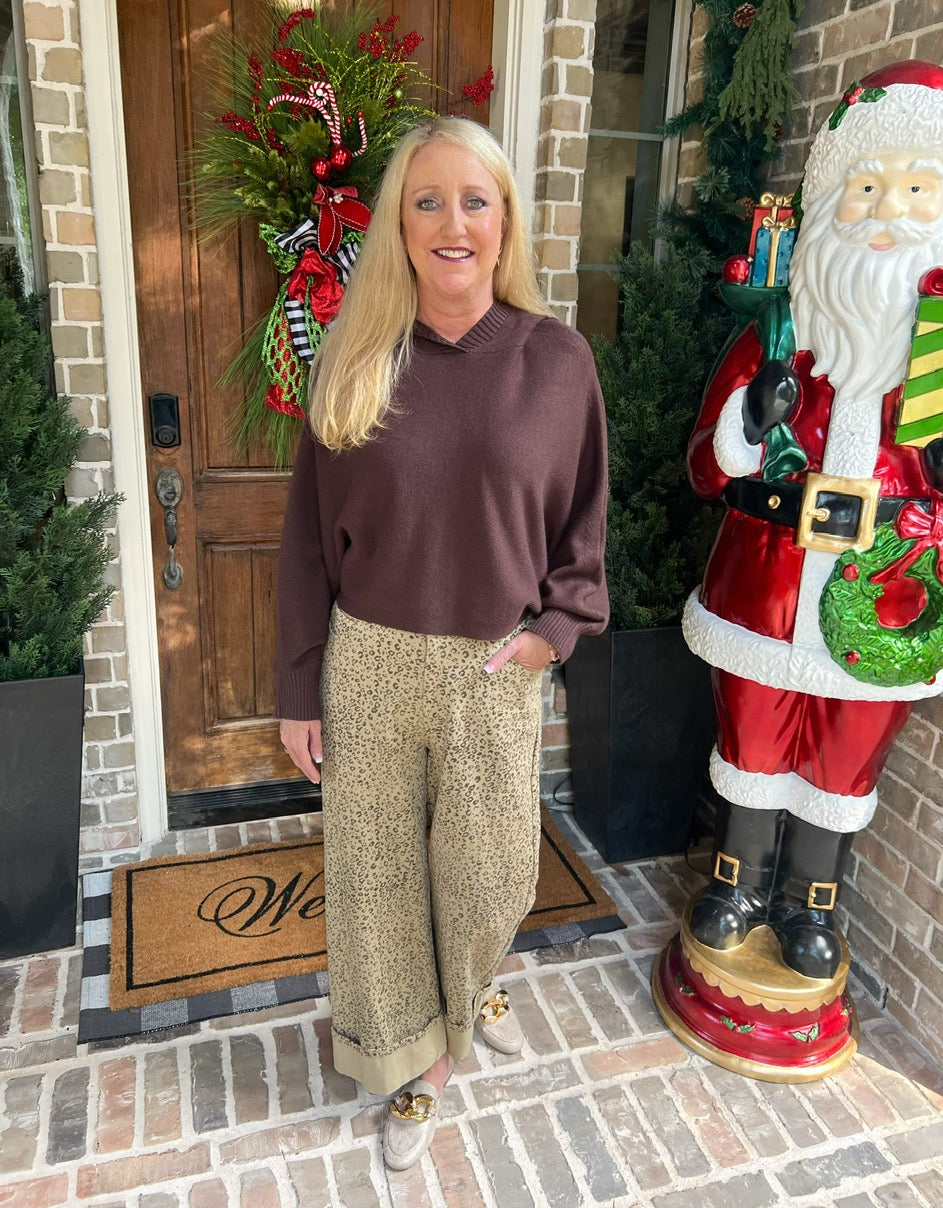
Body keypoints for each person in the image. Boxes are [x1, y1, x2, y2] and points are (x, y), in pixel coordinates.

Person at [273, 115, 608, 1169]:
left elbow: (583, 526)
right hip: (369, 660)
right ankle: (419, 1063)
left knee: (487, 871)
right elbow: (304, 541)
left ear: (504, 221)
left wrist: (554, 633)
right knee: (377, 880)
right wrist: (300, 685)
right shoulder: (355, 357)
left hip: (492, 666)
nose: (452, 223)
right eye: (427, 202)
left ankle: (474, 981)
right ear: (400, 226)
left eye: (475, 200)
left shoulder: (557, 362)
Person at [682, 61, 943, 982]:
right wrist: (747, 420)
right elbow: (704, 466)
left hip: (884, 595)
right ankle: (736, 884)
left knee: (845, 753)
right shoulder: (779, 335)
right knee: (754, 739)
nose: (886, 215)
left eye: (916, 191)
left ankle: (814, 903)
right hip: (763, 591)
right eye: (866, 189)